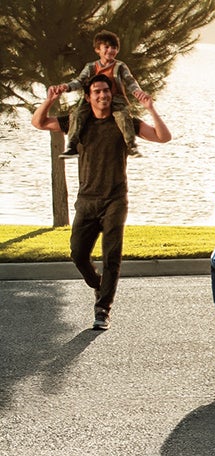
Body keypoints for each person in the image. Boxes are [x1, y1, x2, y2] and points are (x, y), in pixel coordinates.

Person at [30, 73, 172, 330]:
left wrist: (151, 108)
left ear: (111, 94)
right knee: (78, 253)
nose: (102, 95)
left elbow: (163, 137)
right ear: (89, 97)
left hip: (115, 199)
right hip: (86, 199)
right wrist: (49, 100)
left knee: (111, 255)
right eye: (97, 91)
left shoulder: (125, 122)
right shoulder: (78, 121)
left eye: (106, 91)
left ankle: (103, 309)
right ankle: (99, 284)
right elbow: (39, 122)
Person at [48, 31, 149, 157]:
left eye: (114, 47)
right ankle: (72, 145)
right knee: (77, 115)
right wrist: (67, 87)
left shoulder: (120, 66)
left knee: (123, 116)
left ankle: (131, 145)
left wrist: (138, 92)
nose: (110, 50)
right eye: (106, 47)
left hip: (115, 99)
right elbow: (79, 81)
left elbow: (130, 81)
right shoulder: (91, 67)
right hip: (94, 101)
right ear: (97, 50)